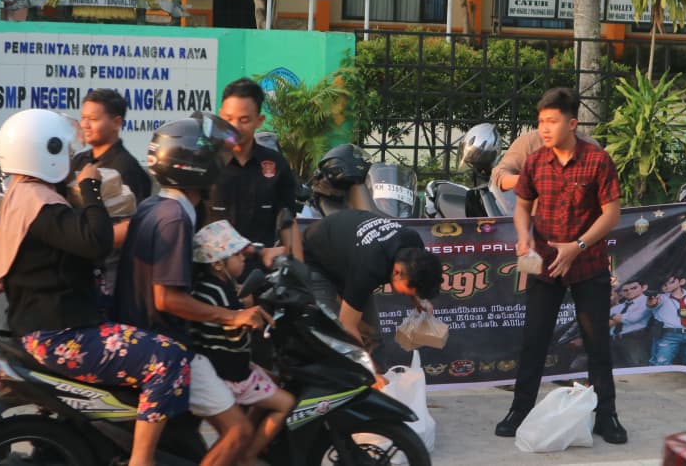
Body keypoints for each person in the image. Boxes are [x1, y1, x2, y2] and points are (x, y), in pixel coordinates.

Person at [0, 109, 190, 466]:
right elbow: (96, 241)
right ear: (44, 152)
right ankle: (142, 460)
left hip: (48, 325)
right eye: (64, 150)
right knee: (169, 358)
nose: (72, 158)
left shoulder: (26, 194)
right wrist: (90, 189)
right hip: (61, 334)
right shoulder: (41, 205)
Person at [114, 113, 273, 466]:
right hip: (167, 342)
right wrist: (232, 316)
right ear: (198, 166)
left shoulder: (157, 206)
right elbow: (167, 299)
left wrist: (254, 252)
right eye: (218, 157)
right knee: (239, 432)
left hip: (140, 332)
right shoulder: (175, 219)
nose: (224, 163)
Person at [494, 87, 627, 444]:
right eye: (541, 122)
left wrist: (577, 246)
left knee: (597, 343)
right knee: (534, 341)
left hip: (588, 265)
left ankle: (607, 415)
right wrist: (523, 235)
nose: (545, 128)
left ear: (572, 123)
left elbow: (611, 213)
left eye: (552, 121)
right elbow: (522, 206)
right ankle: (520, 410)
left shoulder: (597, 160)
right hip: (544, 266)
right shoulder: (536, 161)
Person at [190, 220, 296, 466]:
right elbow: (232, 334)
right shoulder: (214, 292)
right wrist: (249, 319)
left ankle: (248, 449)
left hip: (234, 367)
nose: (243, 259)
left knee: (275, 381)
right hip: (230, 373)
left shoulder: (219, 285)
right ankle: (248, 456)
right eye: (236, 255)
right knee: (286, 403)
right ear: (218, 264)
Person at [302, 209, 443, 355]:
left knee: (372, 337)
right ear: (397, 272)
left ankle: (377, 366)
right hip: (316, 260)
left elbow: (415, 274)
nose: (405, 294)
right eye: (408, 291)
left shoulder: (413, 242)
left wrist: (418, 299)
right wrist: (367, 367)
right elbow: (348, 325)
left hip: (346, 254)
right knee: (336, 340)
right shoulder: (369, 267)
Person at [71, 88, 153, 312]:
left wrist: (91, 239)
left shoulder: (126, 169)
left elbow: (132, 226)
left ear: (117, 122)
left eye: (93, 119)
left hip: (110, 271)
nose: (85, 125)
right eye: (83, 118)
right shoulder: (79, 160)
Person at [208, 77, 303, 263]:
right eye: (228, 119)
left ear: (259, 120)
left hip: (261, 272)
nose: (235, 127)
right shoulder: (206, 163)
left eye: (244, 120)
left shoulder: (276, 164)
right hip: (214, 272)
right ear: (220, 116)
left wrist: (299, 271)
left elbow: (288, 223)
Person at [647, 271, 686, 366]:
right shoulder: (661, 298)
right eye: (664, 284)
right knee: (661, 365)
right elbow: (651, 304)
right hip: (669, 335)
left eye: (671, 282)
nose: (667, 286)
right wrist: (651, 301)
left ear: (682, 281)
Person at [609, 278, 654, 367]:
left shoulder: (648, 301)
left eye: (634, 288)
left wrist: (614, 317)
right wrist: (618, 317)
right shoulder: (618, 307)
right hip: (614, 340)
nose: (629, 291)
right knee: (617, 370)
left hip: (635, 339)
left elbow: (633, 318)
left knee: (639, 368)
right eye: (625, 290)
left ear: (644, 287)